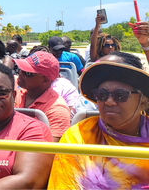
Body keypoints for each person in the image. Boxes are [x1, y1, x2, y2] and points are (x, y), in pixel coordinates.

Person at [48, 51, 149, 189]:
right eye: (102, 94)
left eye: (120, 95)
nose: (109, 102)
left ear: (142, 99)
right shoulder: (79, 137)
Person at [14, 51, 71, 142]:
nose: (20, 73)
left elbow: (48, 151)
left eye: (27, 73)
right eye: (20, 69)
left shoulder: (57, 110)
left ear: (45, 80)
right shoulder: (13, 88)